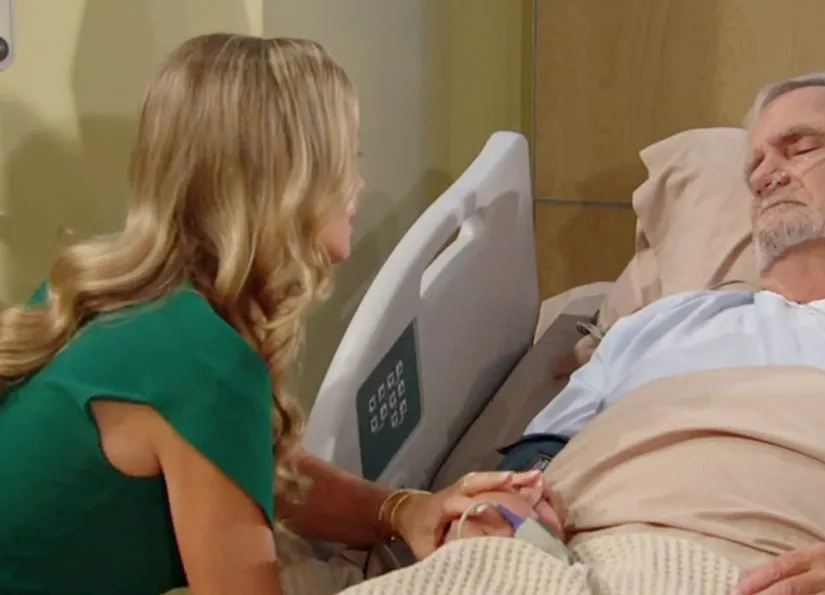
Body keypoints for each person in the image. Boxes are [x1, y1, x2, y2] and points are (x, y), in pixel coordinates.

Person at [0, 33, 551, 595]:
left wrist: (403, 510)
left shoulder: (109, 292)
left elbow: (253, 468)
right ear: (286, 183)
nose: (358, 184)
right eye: (346, 161)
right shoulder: (201, 364)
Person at [450, 72, 825, 594]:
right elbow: (531, 468)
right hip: (574, 565)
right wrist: (487, 506)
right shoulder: (656, 326)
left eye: (801, 148)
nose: (766, 175)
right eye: (755, 168)